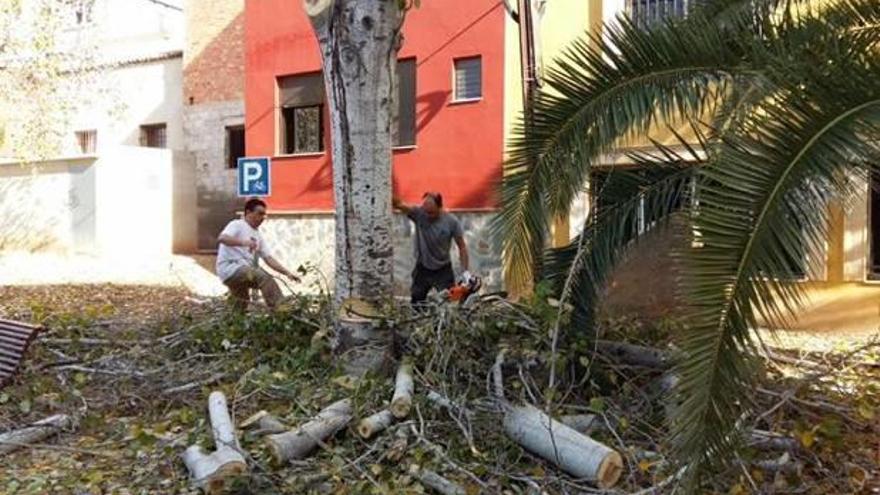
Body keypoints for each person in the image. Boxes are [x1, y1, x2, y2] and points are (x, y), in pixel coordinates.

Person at [216, 198, 300, 310]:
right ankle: (281, 311)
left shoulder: (258, 235)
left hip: (242, 271)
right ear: (248, 212)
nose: (262, 218)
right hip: (231, 268)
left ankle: (233, 324)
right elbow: (222, 238)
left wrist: (287, 273)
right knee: (264, 277)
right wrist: (243, 242)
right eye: (259, 214)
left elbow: (268, 258)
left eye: (264, 215)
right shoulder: (237, 224)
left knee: (241, 301)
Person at [393, 192, 471, 304]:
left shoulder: (451, 222)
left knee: (449, 302)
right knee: (417, 302)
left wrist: (465, 271)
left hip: (443, 269)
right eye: (426, 212)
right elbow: (399, 204)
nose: (428, 216)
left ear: (440, 207)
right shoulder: (419, 214)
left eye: (431, 213)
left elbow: (462, 247)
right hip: (422, 268)